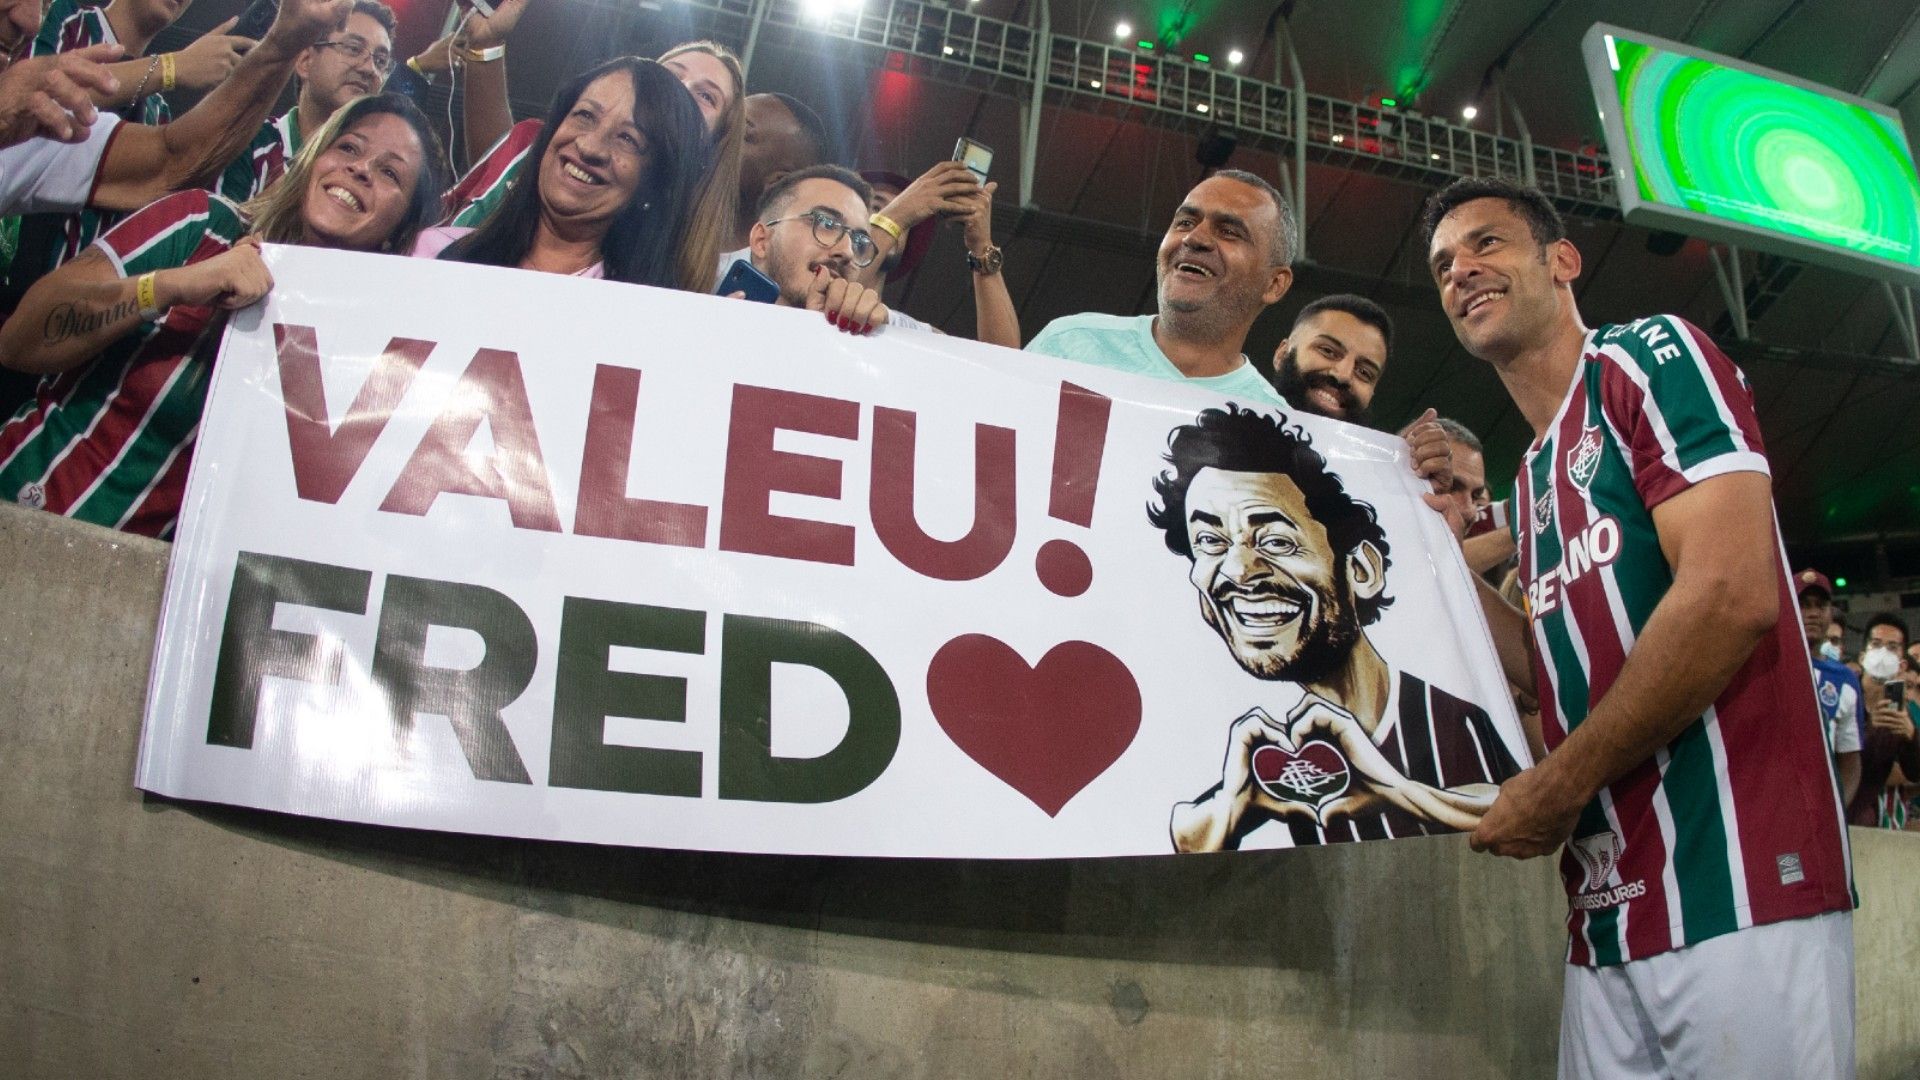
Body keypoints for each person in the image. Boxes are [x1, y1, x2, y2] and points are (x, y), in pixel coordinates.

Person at [1422, 177, 1853, 1078]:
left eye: (1487, 244)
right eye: (1443, 264)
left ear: (1563, 262)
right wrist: (1417, 539)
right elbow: (1554, 678)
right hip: (1607, 911)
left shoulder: (1647, 357)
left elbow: (1732, 595)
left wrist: (1556, 785)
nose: (1461, 269)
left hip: (1740, 889)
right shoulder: (1534, 477)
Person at [0, 93, 445, 538]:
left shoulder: (363, 358)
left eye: (390, 172)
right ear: (314, 159)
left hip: (136, 591)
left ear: (402, 230)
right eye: (348, 147)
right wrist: (173, 285)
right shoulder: (202, 225)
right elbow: (19, 340)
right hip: (18, 509)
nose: (360, 168)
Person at [1147, 404, 1521, 852]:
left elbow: (1544, 801)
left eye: (1276, 541)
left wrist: (1397, 790)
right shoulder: (1239, 750)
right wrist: (1229, 811)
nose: (1238, 571)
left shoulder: (1466, 719)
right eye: (1210, 543)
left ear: (1361, 569)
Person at [428, 9, 747, 292]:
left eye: (707, 96)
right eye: (672, 75)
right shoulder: (435, 249)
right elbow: (501, 161)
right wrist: (485, 48)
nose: (680, 89)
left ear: (717, 144)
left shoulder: (665, 289)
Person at [415, 57, 708, 288]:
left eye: (628, 138)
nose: (590, 146)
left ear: (654, 185)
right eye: (585, 115)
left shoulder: (644, 325)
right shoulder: (433, 252)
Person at [1026, 170, 1292, 405]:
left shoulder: (1273, 425)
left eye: (1229, 232)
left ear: (1274, 284)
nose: (1194, 238)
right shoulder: (1070, 344)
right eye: (1185, 222)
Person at [214, 0, 397, 204]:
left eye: (381, 61)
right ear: (305, 61)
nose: (370, 69)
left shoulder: (372, 175)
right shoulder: (248, 142)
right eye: (353, 49)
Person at [852, 160, 1019, 347]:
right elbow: (844, 289)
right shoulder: (815, 298)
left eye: (905, 219)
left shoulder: (912, 333)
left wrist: (982, 245)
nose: (896, 224)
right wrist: (897, 214)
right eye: (876, 207)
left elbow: (1004, 361)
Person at [737, 164, 890, 334]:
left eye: (859, 242)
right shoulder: (709, 325)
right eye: (826, 223)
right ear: (761, 240)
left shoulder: (859, 348)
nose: (848, 251)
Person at [1269, 293, 1391, 425]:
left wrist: (1397, 445)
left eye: (1364, 372)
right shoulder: (1242, 406)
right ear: (1282, 354)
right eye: (1328, 351)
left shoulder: (1391, 446)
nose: (1343, 376)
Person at [1798, 569, 1863, 804]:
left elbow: (1850, 759)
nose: (1813, 613)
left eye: (1820, 606)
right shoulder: (1766, 666)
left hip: (1819, 806)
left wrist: (1838, 812)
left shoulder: (1845, 680)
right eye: (1803, 604)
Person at [1852, 613, 1917, 830]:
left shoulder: (1899, 708)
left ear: (1902, 664)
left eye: (1891, 647)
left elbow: (1915, 772)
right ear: (1862, 657)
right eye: (1876, 644)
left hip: (1867, 818)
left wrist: (1912, 737)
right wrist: (1870, 730)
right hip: (1830, 811)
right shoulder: (1847, 696)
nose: (1882, 653)